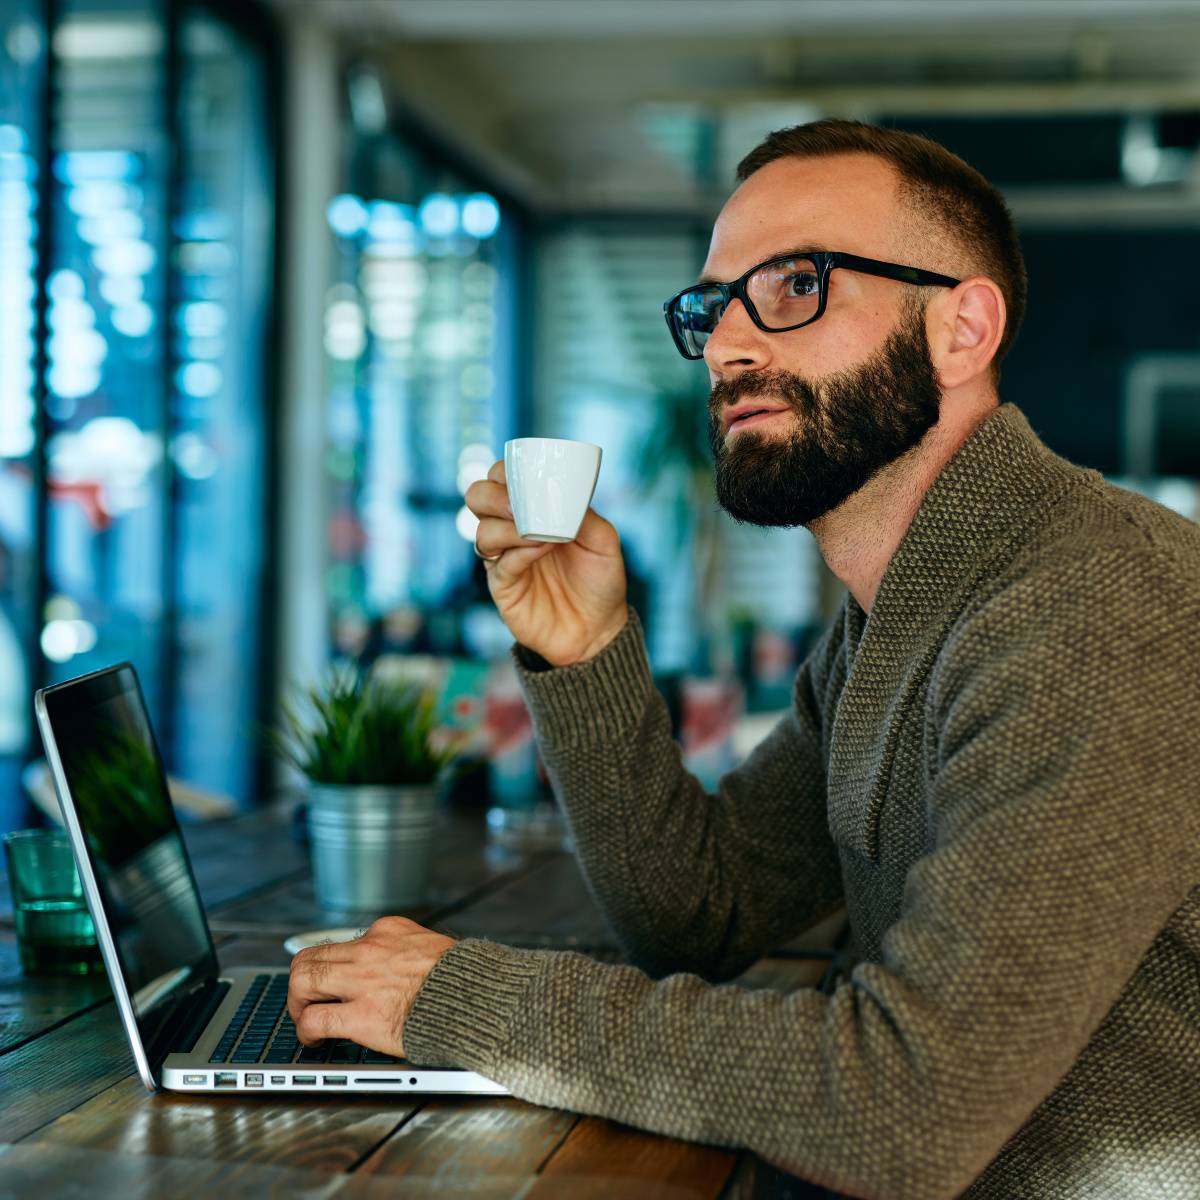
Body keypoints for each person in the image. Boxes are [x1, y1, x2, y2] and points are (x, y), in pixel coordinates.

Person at [287, 120, 1200, 1199]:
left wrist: (459, 998)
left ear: (963, 327)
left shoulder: (1092, 602)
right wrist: (585, 653)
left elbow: (905, 1106)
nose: (727, 345)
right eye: (714, 303)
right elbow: (705, 914)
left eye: (797, 284)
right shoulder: (900, 614)